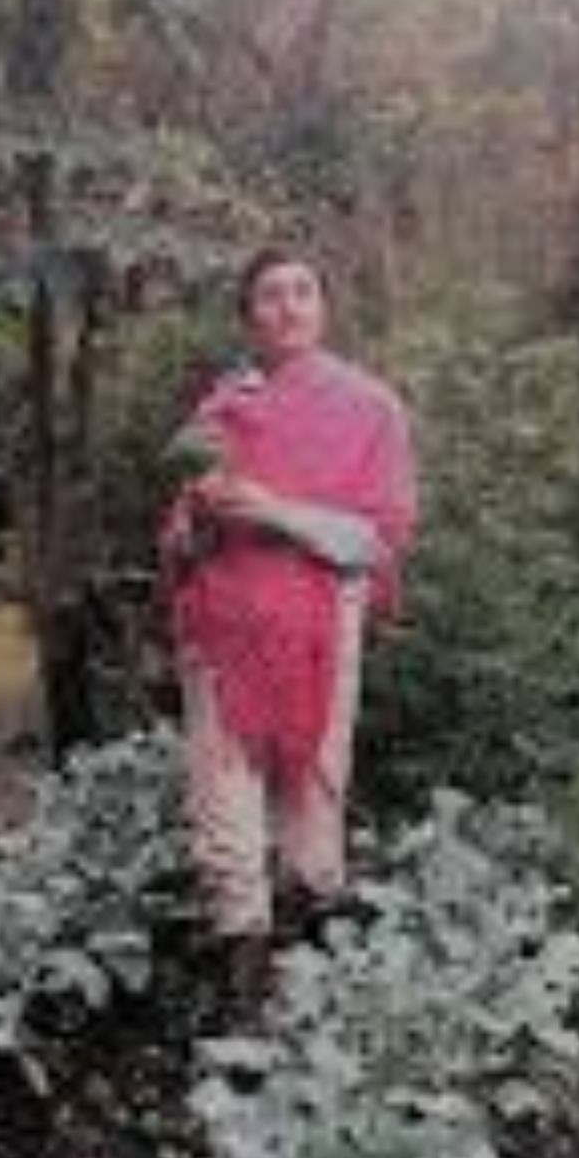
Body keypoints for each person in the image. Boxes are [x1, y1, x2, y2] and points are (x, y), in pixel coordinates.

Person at [159, 247, 419, 1015]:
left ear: (323, 307)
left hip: (318, 628)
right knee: (224, 803)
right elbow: (178, 536)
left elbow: (375, 539)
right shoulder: (218, 411)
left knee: (314, 792)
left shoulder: (371, 407)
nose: (288, 306)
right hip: (223, 627)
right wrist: (196, 522)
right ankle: (240, 994)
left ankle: (306, 993)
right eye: (269, 294)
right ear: (248, 316)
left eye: (303, 291)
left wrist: (272, 511)